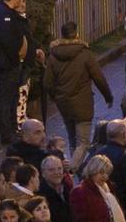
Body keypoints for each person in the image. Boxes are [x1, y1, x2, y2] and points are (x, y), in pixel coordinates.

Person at [43, 23, 111, 157]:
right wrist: (108, 96)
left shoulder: (53, 55)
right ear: (77, 34)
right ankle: (74, 169)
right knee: (84, 142)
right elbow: (98, 78)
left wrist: (56, 97)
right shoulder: (85, 54)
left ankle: (76, 170)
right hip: (83, 102)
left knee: (72, 139)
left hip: (64, 103)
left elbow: (47, 83)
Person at [0, 0, 33, 144]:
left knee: (12, 96)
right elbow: (8, 42)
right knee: (6, 98)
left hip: (10, 63)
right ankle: (7, 133)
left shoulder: (6, 13)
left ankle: (11, 129)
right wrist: (16, 58)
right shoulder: (3, 15)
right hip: (8, 64)